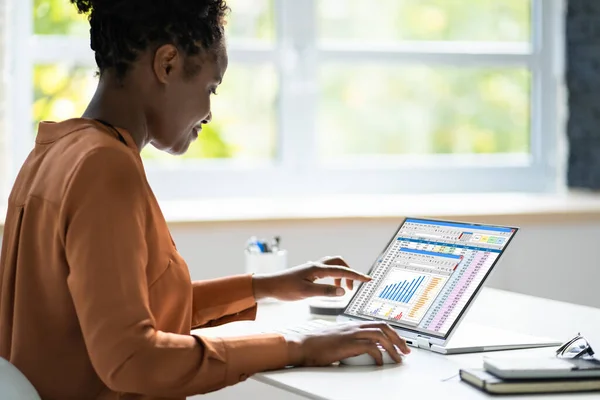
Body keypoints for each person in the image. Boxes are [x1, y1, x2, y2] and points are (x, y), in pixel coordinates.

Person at [0, 0, 410, 399]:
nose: (209, 111)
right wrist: (298, 345)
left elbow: (130, 309)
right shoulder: (105, 167)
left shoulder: (52, 151)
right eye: (210, 87)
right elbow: (132, 358)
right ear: (167, 64)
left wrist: (264, 286)